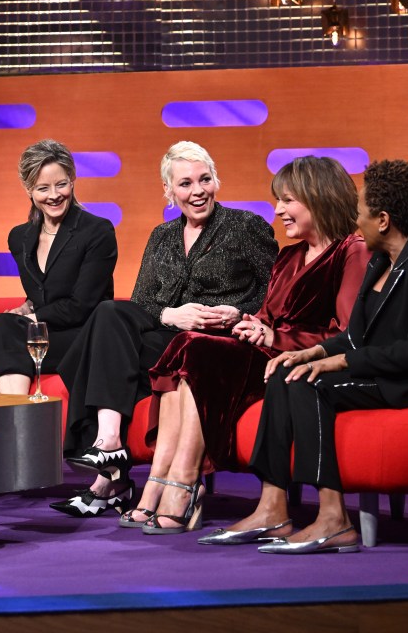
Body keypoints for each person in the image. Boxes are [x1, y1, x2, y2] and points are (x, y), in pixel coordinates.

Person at [217, 159, 408, 554]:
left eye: (362, 209)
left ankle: (333, 517)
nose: (355, 216)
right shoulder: (382, 261)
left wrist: (337, 363)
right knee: (288, 373)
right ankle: (272, 507)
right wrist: (312, 352)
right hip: (393, 368)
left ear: (382, 219)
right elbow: (355, 335)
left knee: (310, 385)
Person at [123, 156, 371, 535]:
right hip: (264, 354)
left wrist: (276, 337)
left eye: (287, 201)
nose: (278, 211)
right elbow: (266, 318)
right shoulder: (289, 256)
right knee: (187, 344)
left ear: (318, 198)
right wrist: (249, 323)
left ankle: (184, 483)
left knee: (198, 350)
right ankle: (162, 479)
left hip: (296, 359)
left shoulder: (351, 250)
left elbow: (348, 335)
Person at [50, 140, 278, 517]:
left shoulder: (246, 226)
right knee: (110, 313)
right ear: (169, 191)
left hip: (214, 342)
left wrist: (236, 313)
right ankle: (109, 444)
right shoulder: (161, 236)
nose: (198, 190)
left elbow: (276, 294)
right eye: (185, 183)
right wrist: (173, 315)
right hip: (168, 337)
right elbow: (141, 302)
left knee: (94, 352)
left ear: (216, 181)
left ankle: (109, 478)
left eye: (205, 179)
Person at [0, 140, 117, 394]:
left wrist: (30, 320)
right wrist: (29, 305)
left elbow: (82, 305)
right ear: (29, 190)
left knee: (2, 330)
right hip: (43, 335)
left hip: (82, 336)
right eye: (43, 188)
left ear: (73, 179)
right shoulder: (19, 237)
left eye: (61, 184)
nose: (54, 195)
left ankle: (15, 419)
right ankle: (17, 418)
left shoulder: (97, 231)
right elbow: (45, 288)